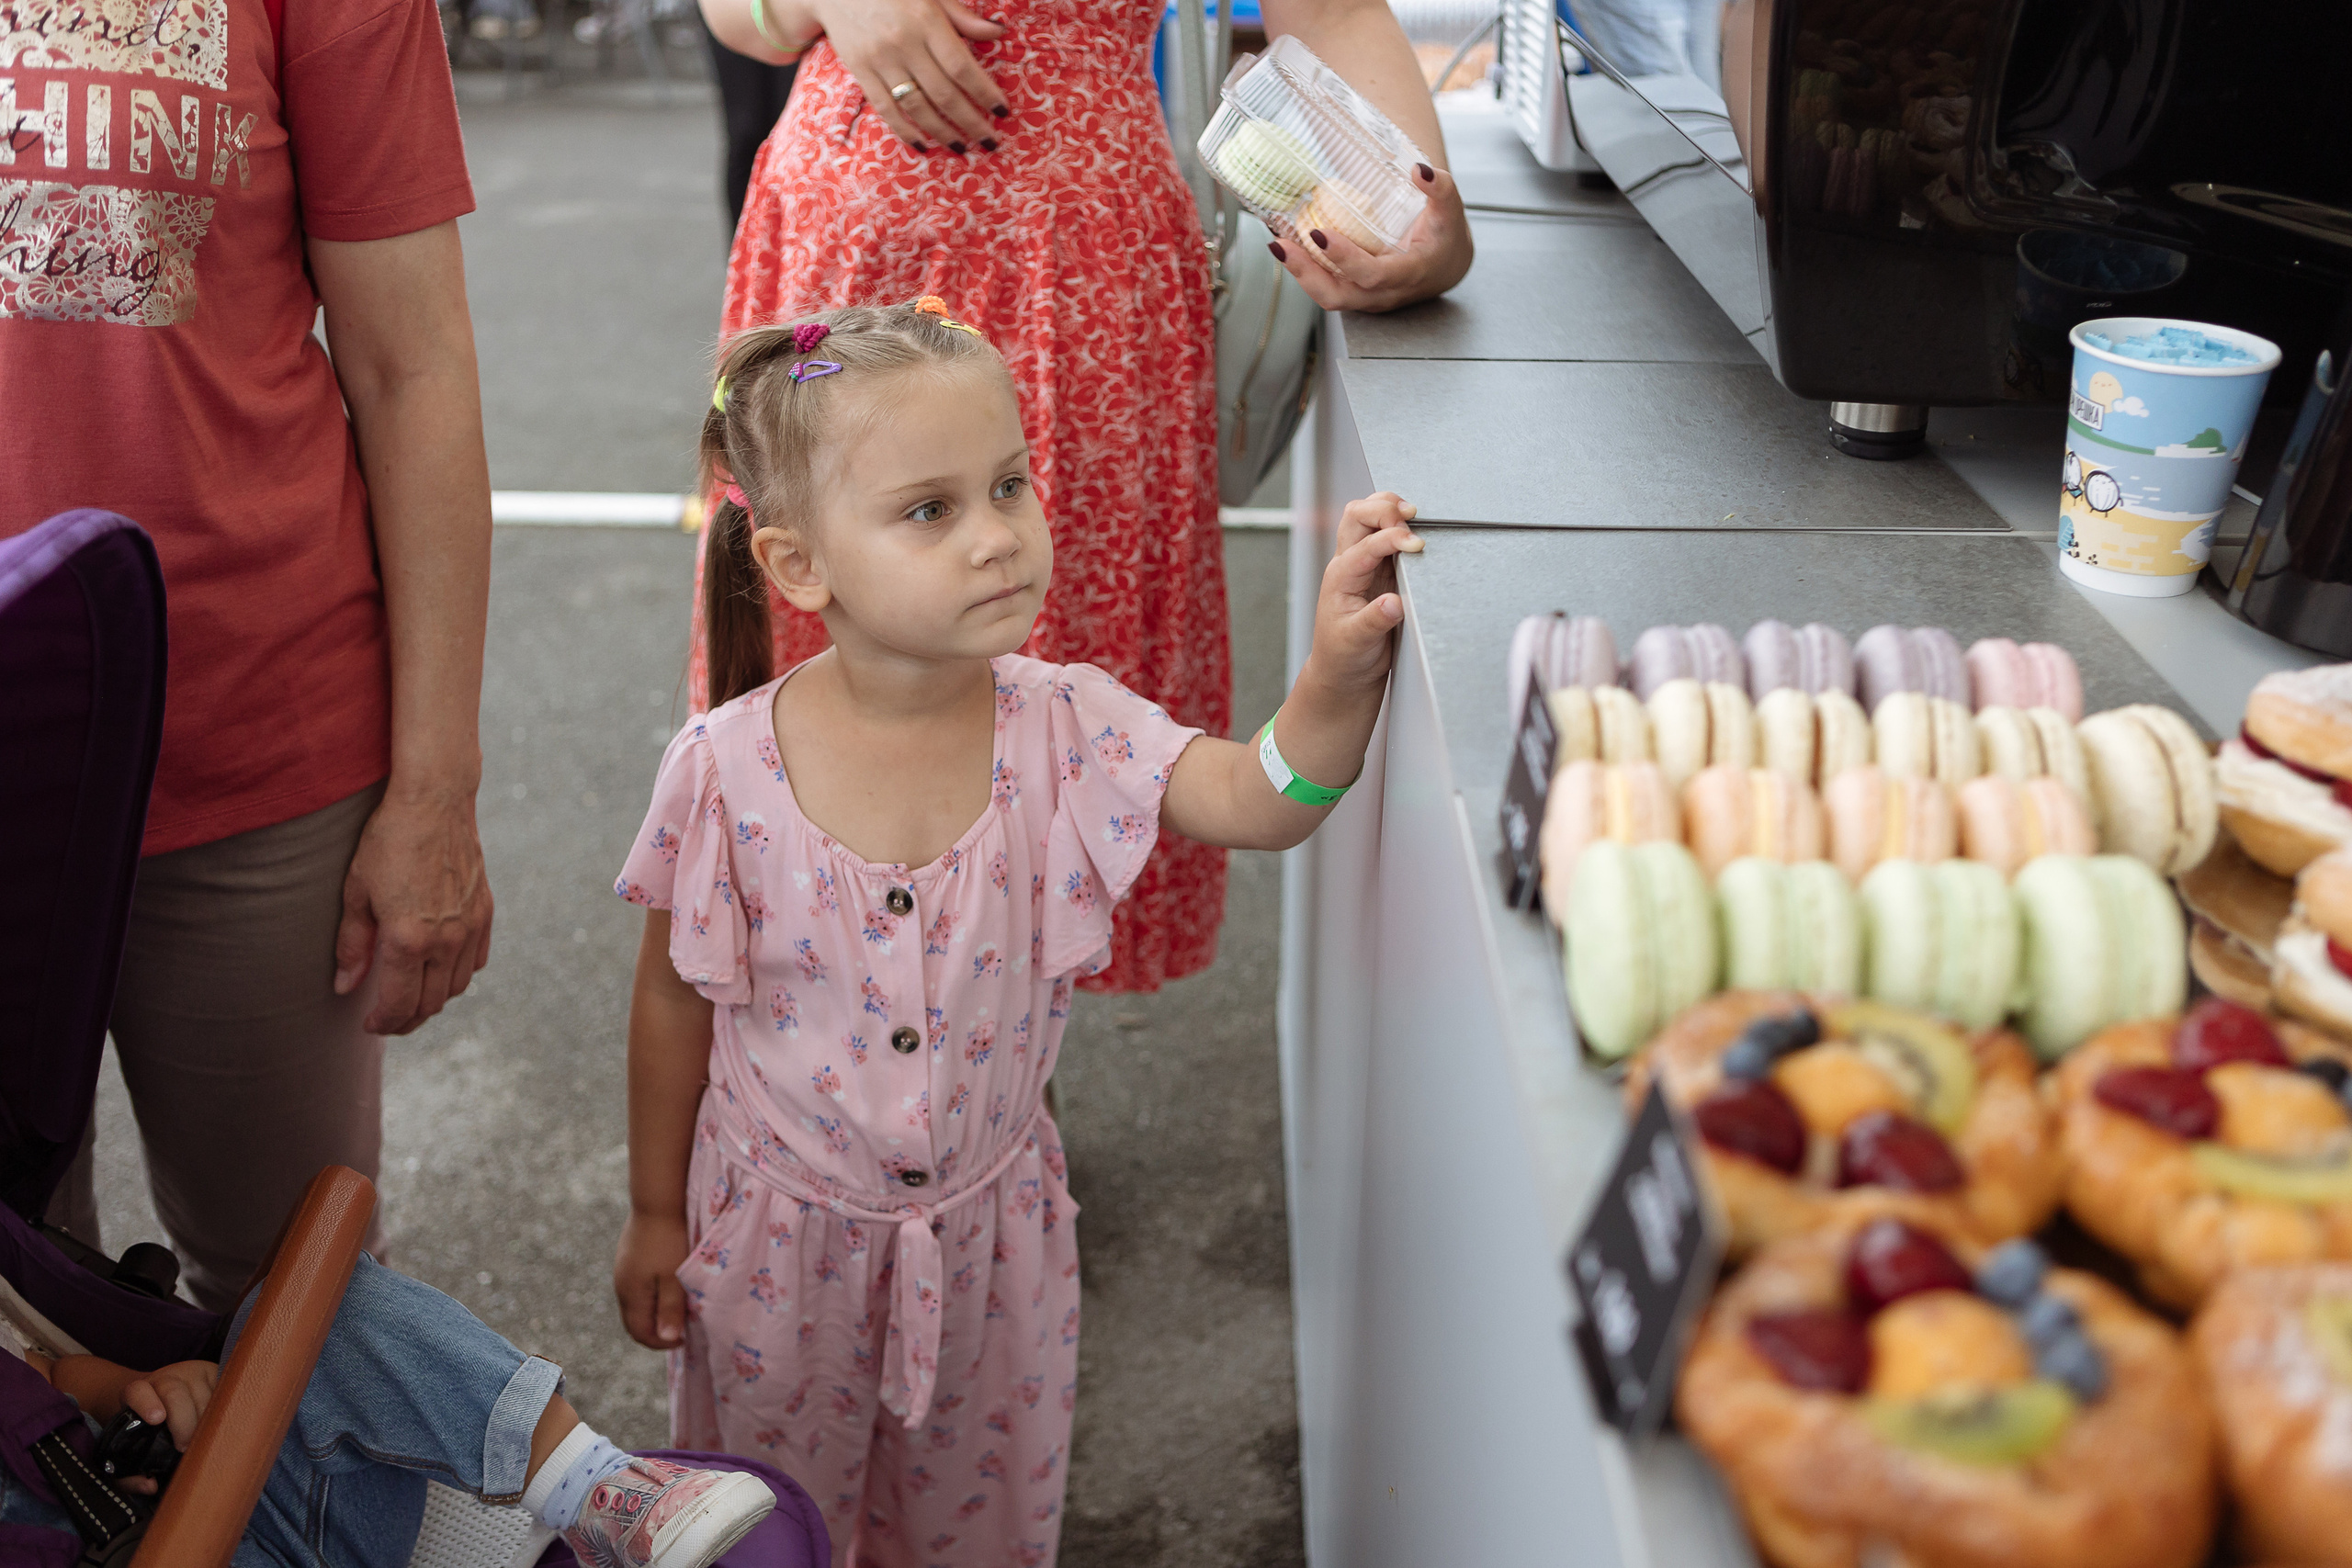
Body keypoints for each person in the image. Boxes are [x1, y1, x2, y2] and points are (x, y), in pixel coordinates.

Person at [607, 300, 1419, 1565]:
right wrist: (658, 1210)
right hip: (775, 1252)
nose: (998, 536)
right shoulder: (721, 767)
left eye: (1009, 484)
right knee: (775, 1526)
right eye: (930, 509)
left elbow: (1260, 799)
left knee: (971, 1529)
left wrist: (1333, 673)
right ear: (798, 564)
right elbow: (670, 999)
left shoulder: (1070, 724)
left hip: (997, 1252)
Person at [687, 0, 1473, 993]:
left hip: (1087, 265)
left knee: (1058, 660)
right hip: (859, 256)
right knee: (826, 682)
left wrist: (1423, 218)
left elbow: (1333, 11)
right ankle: (812, 1041)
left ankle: (991, 1061)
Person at [2, 0, 498, 1310]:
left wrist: (435, 790)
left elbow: (415, 370)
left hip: (250, 732)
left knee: (291, 1300)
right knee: (19, 1317)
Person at [1, 1254, 777, 1568]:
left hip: (256, 1511)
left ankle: (598, 1490)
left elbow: (61, 1373)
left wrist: (150, 1392)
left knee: (310, 1305)